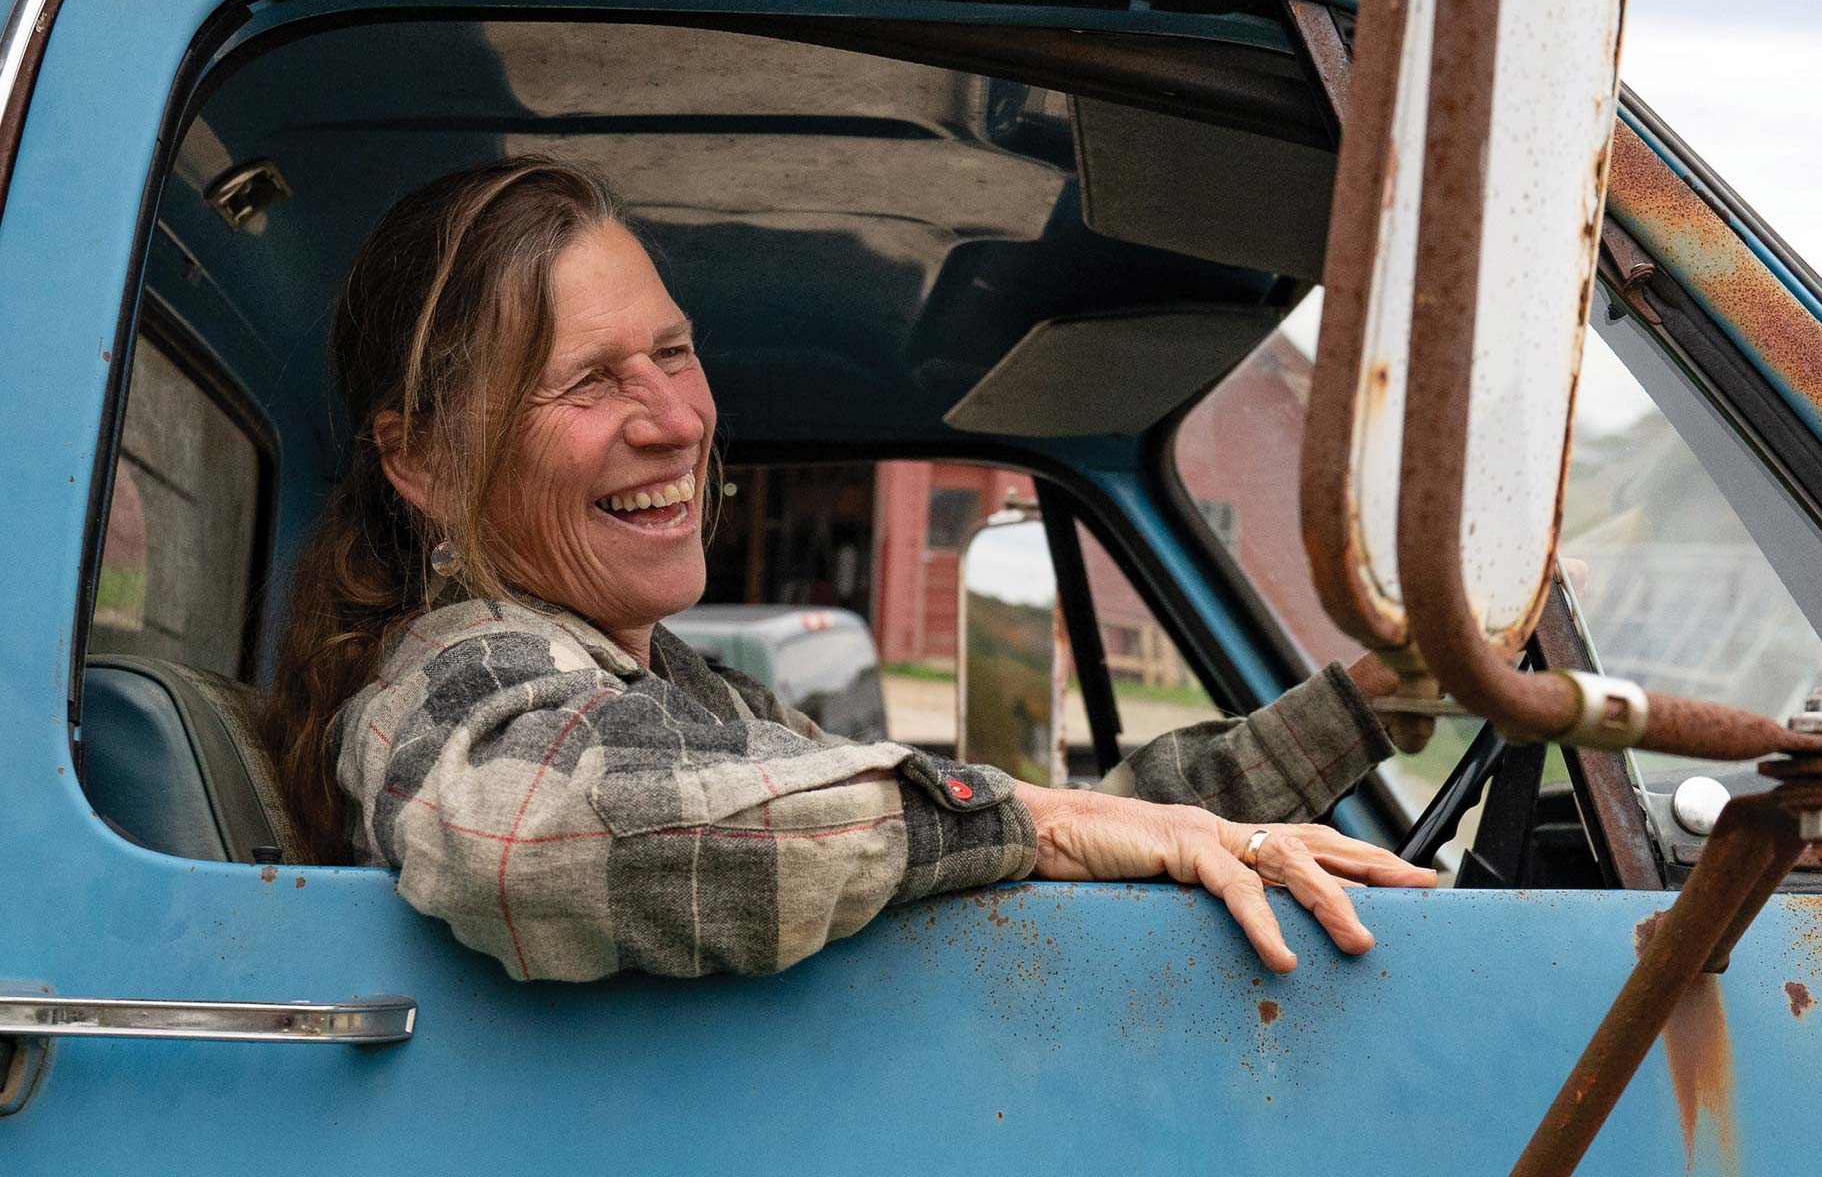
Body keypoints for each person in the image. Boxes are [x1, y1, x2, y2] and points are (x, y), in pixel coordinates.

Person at [262, 156, 1434, 983]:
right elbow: (527, 842)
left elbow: (971, 829)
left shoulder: (678, 691)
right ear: (418, 459)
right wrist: (1034, 825)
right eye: (587, 381)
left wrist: (1353, 712)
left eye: (674, 353)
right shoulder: (450, 670)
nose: (677, 419)